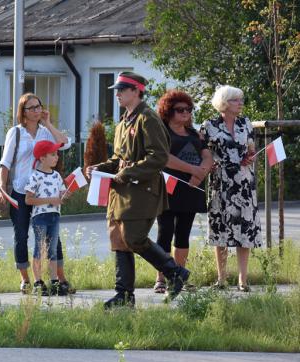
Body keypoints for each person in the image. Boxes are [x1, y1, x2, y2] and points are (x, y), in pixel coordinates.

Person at [86, 72, 190, 308]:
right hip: (121, 191)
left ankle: (174, 273)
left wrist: (127, 173)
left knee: (134, 238)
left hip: (142, 190)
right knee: (119, 240)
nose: (117, 94)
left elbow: (159, 157)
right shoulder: (124, 121)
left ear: (136, 91)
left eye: (122, 89)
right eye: (117, 90)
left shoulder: (148, 118)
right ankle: (124, 295)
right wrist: (100, 167)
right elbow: (117, 158)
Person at [0, 93, 73, 295]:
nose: (37, 110)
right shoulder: (16, 133)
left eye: (39, 106)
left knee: (52, 237)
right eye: (32, 108)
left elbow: (64, 143)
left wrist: (48, 123)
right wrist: (3, 189)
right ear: (23, 112)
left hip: (45, 191)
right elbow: (5, 163)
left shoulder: (45, 132)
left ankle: (60, 279)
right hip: (21, 191)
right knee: (21, 235)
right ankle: (26, 279)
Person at [200, 85, 261, 292]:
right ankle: (222, 279)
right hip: (221, 182)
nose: (240, 103)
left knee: (245, 230)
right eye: (236, 100)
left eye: (241, 99)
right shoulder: (209, 125)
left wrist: (250, 156)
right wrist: (209, 164)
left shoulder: (246, 123)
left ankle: (243, 280)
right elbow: (202, 152)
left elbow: (251, 148)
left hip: (244, 183)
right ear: (224, 103)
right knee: (221, 230)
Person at [153, 90, 213, 293]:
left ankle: (179, 276)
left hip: (192, 189)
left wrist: (200, 174)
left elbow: (207, 156)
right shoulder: (162, 132)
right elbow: (165, 158)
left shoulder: (195, 134)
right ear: (168, 111)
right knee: (164, 233)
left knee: (183, 234)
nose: (185, 113)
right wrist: (192, 170)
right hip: (168, 188)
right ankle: (161, 278)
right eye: (180, 110)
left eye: (188, 109)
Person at [24, 141, 68, 295]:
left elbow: (61, 194)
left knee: (53, 250)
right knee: (39, 249)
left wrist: (64, 195)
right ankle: (38, 282)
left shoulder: (56, 176)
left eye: (57, 154)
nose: (57, 157)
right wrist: (50, 200)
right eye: (53, 154)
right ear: (42, 158)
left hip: (55, 217)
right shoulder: (35, 176)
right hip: (40, 218)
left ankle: (54, 281)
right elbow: (28, 200)